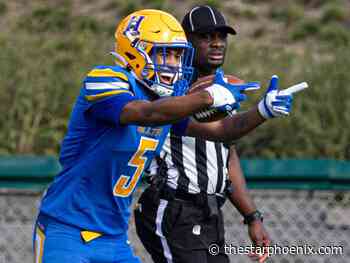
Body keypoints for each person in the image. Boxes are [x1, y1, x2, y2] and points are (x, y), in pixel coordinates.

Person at [33, 8, 293, 263]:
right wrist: (208, 96)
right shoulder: (105, 79)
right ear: (134, 50)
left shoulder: (164, 101)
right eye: (163, 54)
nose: (171, 63)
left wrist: (262, 111)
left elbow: (221, 131)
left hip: (113, 238)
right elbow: (144, 113)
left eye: (177, 55)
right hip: (66, 230)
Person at [134, 6, 279, 263]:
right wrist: (260, 112)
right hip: (174, 205)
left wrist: (252, 216)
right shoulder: (168, 87)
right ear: (185, 41)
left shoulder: (222, 89)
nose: (216, 44)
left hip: (209, 211)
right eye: (206, 37)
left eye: (221, 37)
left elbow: (226, 150)